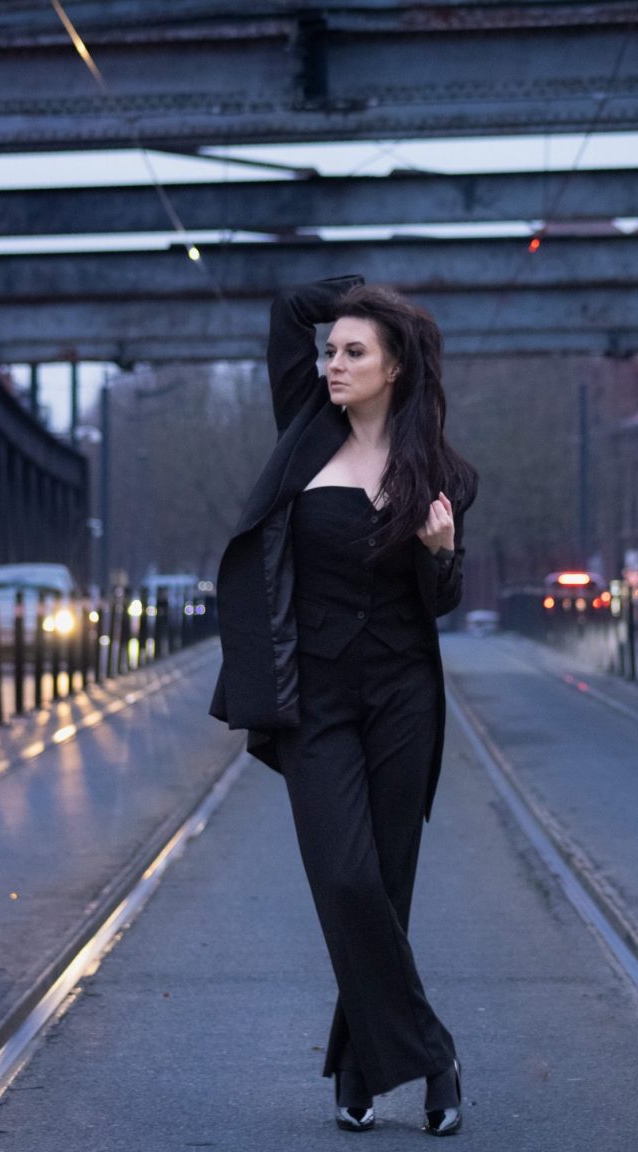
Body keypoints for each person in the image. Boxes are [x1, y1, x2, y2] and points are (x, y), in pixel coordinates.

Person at [210, 276, 477, 1136]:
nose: (333, 362)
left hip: (404, 697)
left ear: (394, 369)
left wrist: (439, 553)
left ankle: (359, 1068)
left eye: (354, 352)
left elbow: (440, 603)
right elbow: (291, 306)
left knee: (385, 892)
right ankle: (434, 1053)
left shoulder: (438, 472)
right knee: (348, 878)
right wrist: (363, 297)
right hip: (315, 703)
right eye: (332, 350)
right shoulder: (304, 431)